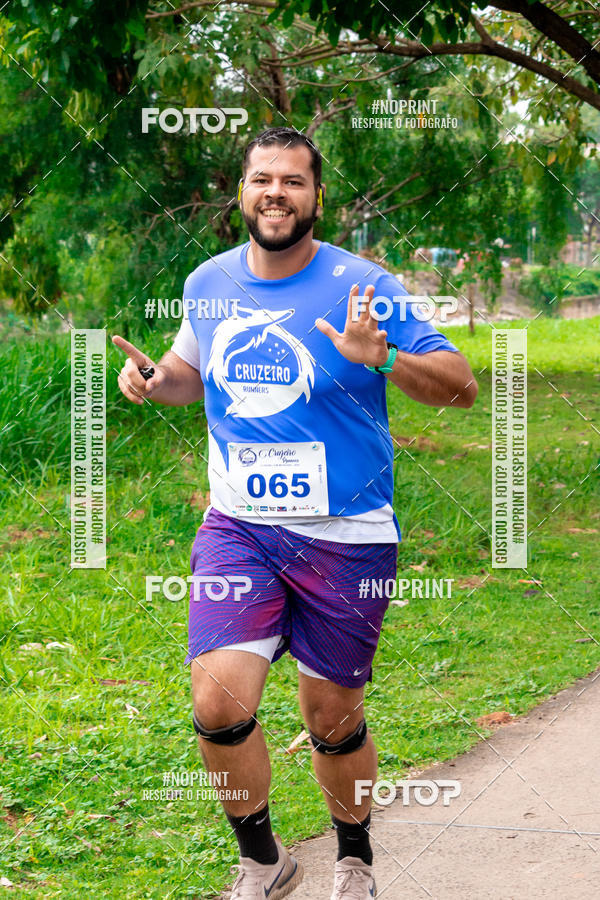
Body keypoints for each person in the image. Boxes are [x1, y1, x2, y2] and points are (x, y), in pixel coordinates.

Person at [114, 126, 478, 900]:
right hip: (240, 526)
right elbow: (191, 377)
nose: (274, 192)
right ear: (241, 193)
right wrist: (150, 378)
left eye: (292, 181)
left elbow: (458, 384)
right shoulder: (208, 282)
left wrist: (380, 357)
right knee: (218, 699)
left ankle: (353, 855)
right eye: (261, 179)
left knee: (331, 717)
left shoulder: (364, 284)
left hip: (347, 538)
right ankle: (262, 860)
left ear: (317, 197)